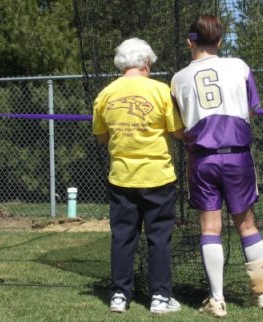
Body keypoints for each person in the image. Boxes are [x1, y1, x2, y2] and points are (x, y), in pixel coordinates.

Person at [171, 15, 263, 317]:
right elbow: (252, 110)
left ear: (190, 41)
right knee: (247, 224)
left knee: (210, 227)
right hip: (237, 155)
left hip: (202, 159)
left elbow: (178, 128)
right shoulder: (239, 66)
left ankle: (217, 300)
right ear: (220, 41)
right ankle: (262, 294)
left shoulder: (178, 79)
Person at [92, 37, 184, 314]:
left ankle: (119, 295)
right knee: (159, 238)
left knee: (122, 237)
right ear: (146, 62)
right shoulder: (160, 91)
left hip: (121, 178)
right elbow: (178, 132)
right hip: (158, 177)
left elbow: (101, 137)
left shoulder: (105, 94)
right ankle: (160, 296)